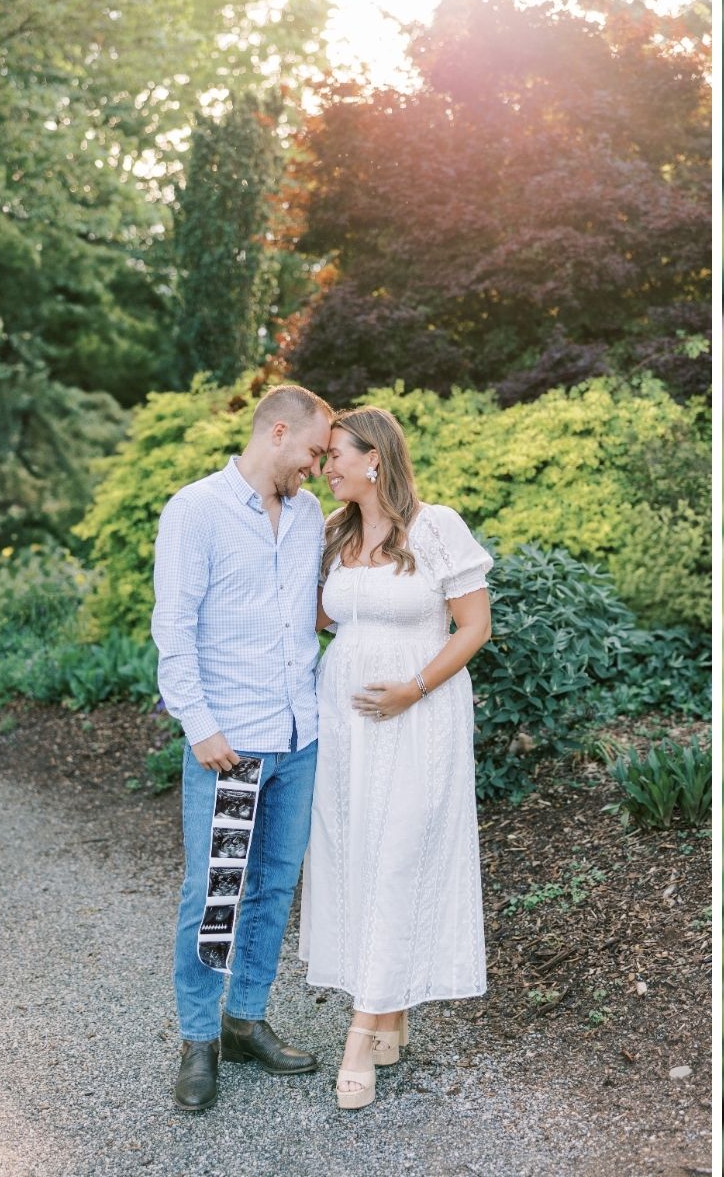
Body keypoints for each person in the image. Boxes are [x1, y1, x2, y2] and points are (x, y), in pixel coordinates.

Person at [297, 406, 493, 1111]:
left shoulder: (436, 527)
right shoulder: (331, 534)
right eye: (322, 459)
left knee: (399, 856)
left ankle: (361, 1035)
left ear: (375, 458)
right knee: (354, 858)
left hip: (421, 715)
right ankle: (390, 1015)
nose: (327, 468)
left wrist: (412, 687)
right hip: (345, 723)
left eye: (337, 456)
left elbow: (475, 626)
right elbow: (318, 618)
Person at [152, 384, 334, 1112]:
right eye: (316, 452)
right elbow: (175, 628)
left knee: (273, 887)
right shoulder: (195, 510)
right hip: (232, 746)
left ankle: (244, 1020)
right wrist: (201, 726)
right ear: (279, 433)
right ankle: (198, 1040)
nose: (318, 469)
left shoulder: (311, 515)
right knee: (213, 893)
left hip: (300, 737)